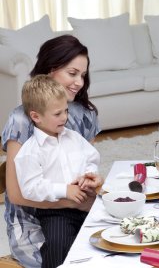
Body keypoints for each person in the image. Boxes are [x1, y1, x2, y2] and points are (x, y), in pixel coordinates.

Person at [1, 35, 101, 268]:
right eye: (72, 73)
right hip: (34, 216)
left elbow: (87, 162)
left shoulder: (86, 114)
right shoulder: (21, 119)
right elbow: (16, 194)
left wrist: (92, 182)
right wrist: (72, 201)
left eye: (83, 75)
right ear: (50, 70)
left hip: (77, 205)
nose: (79, 82)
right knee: (68, 256)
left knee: (110, 245)